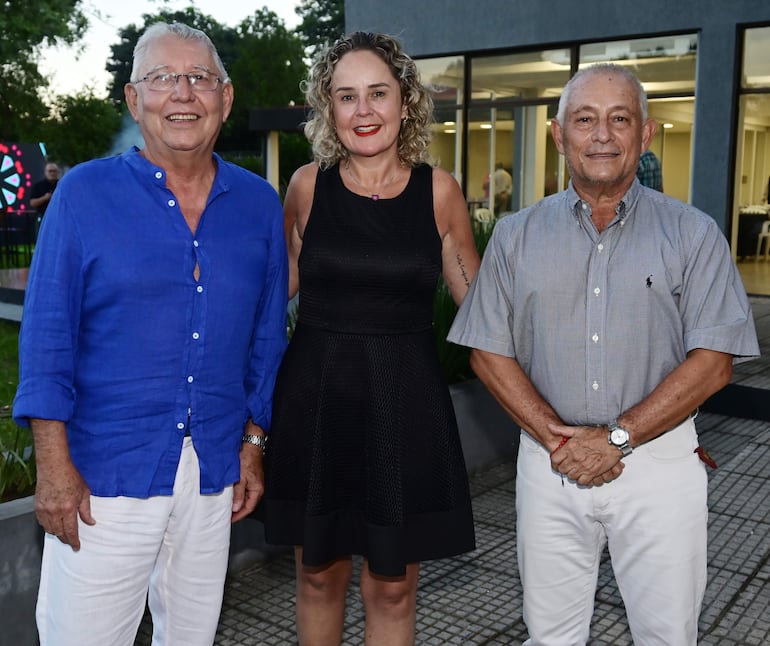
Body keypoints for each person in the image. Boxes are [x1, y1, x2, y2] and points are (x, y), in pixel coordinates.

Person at [448, 63, 759, 644]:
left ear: (645, 135)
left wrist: (616, 438)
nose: (602, 135)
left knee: (667, 634)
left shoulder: (693, 234)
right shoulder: (516, 235)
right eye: (584, 119)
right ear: (558, 134)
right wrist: (560, 440)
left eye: (620, 119)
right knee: (551, 635)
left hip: (659, 467)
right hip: (550, 463)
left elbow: (715, 360)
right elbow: (487, 352)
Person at [12, 22, 288, 646]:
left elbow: (267, 337)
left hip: (213, 473)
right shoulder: (83, 194)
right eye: (163, 78)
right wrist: (53, 468)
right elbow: (47, 339)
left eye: (200, 78)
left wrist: (252, 441)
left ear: (226, 97)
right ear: (135, 100)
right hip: (102, 477)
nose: (183, 94)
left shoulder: (257, 204)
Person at [260, 31, 480, 645]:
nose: (363, 111)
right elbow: (270, 298)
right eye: (346, 96)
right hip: (316, 403)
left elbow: (485, 308)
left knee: (392, 584)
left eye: (378, 93)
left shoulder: (439, 192)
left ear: (405, 102)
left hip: (403, 406)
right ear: (328, 109)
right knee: (317, 576)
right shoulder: (307, 186)